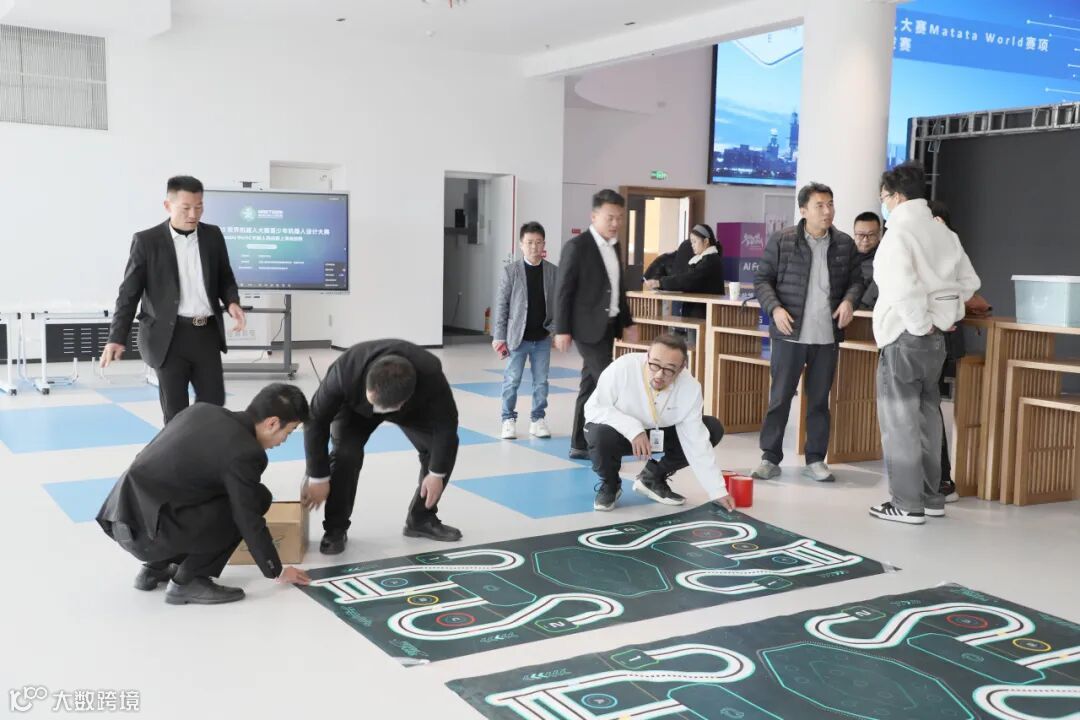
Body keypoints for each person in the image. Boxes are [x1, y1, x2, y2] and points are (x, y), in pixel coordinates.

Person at [96, 383, 312, 605]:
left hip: (121, 519)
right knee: (257, 499)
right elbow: (247, 517)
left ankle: (156, 568)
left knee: (214, 493)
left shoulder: (202, 410)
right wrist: (276, 570)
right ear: (272, 423)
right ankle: (189, 581)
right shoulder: (245, 452)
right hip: (150, 537)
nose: (284, 441)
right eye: (288, 432)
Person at [871, 163, 980, 525]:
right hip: (937, 340)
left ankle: (906, 503)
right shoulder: (942, 231)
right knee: (929, 419)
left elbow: (901, 288)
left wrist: (920, 322)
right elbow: (969, 282)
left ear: (896, 196)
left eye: (884, 197)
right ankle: (933, 497)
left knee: (899, 422)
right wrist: (946, 313)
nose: (884, 204)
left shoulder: (898, 234)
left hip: (905, 337)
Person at [101, 175, 247, 424]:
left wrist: (232, 301)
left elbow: (225, 277)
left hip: (206, 334)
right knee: (175, 412)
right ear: (168, 206)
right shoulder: (147, 241)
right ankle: (178, 449)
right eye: (186, 208)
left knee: (214, 406)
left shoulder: (212, 236)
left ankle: (207, 449)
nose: (193, 214)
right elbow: (129, 293)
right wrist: (116, 337)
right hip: (169, 337)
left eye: (199, 207)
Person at [301, 340, 463, 554]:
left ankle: (421, 518)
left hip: (410, 411)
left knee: (442, 448)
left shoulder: (430, 373)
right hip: (354, 410)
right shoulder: (344, 372)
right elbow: (315, 421)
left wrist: (436, 473)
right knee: (345, 456)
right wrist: (318, 476)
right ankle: (335, 528)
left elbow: (446, 424)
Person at [752, 182, 865, 483]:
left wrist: (849, 301)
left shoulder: (844, 244)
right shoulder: (783, 240)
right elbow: (762, 280)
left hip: (826, 336)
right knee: (780, 398)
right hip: (790, 333)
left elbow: (858, 281)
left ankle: (815, 460)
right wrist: (775, 309)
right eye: (820, 205)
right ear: (803, 210)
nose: (827, 211)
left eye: (830, 204)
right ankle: (769, 457)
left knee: (818, 402)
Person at [584, 334, 734, 512]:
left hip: (656, 435)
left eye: (669, 369)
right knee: (599, 434)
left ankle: (652, 477)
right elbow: (594, 408)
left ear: (681, 368)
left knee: (712, 428)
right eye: (654, 365)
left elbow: (696, 441)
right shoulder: (623, 367)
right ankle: (610, 484)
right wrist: (634, 430)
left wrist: (717, 491)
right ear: (647, 356)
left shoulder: (690, 388)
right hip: (620, 435)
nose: (659, 375)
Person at [554, 189, 639, 460]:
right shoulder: (577, 247)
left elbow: (617, 287)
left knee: (590, 386)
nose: (616, 223)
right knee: (611, 382)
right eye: (610, 217)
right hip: (586, 328)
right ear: (594, 216)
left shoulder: (615, 246)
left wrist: (627, 321)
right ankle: (617, 443)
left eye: (620, 218)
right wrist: (562, 329)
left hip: (608, 326)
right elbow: (563, 290)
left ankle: (579, 444)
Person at [492, 221, 558, 440]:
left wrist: (556, 331)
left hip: (542, 337)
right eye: (529, 242)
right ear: (521, 244)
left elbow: (559, 304)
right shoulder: (511, 272)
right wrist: (499, 336)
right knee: (512, 380)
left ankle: (537, 419)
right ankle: (508, 419)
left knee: (541, 382)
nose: (534, 247)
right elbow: (502, 306)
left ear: (544, 244)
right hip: (517, 338)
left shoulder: (553, 272)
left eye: (538, 242)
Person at [643, 224, 725, 318]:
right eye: (691, 242)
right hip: (699, 311)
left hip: (705, 314)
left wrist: (660, 282)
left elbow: (688, 279)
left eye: (695, 241)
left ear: (706, 241)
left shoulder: (710, 260)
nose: (692, 245)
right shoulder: (701, 259)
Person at [852, 211, 883, 310]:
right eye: (860, 235)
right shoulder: (843, 256)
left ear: (879, 234)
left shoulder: (884, 260)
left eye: (871, 235)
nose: (865, 240)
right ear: (854, 234)